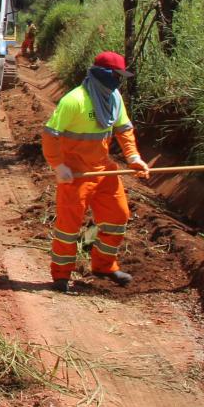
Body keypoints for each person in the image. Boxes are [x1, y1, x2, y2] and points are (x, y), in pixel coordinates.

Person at [40, 50, 151, 293]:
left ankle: (104, 266)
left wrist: (134, 158)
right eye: (117, 75)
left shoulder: (114, 98)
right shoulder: (75, 100)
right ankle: (61, 275)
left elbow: (124, 130)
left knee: (118, 217)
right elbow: (51, 135)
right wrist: (59, 166)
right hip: (76, 174)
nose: (119, 80)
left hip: (104, 170)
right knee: (68, 227)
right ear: (104, 74)